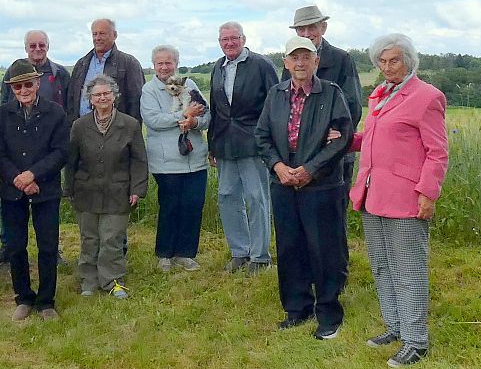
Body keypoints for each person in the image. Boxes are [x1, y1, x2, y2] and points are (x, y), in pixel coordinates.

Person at [350, 34, 449, 368]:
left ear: (409, 60)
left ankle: (416, 340)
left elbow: (437, 152)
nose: (387, 66)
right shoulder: (380, 94)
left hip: (407, 198)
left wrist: (428, 193)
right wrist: (349, 140)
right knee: (381, 266)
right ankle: (395, 326)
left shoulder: (427, 97)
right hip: (372, 193)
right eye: (381, 60)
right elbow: (380, 139)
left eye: (394, 60)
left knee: (408, 269)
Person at [255, 37, 353, 340]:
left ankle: (328, 313)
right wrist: (278, 167)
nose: (300, 63)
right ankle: (297, 309)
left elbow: (343, 137)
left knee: (324, 250)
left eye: (306, 57)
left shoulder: (332, 94)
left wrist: (311, 169)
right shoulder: (276, 94)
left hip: (321, 184)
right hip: (283, 182)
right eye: (294, 57)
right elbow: (261, 136)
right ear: (286, 63)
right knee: (290, 247)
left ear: (316, 62)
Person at [0, 58, 69, 321]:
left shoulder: (55, 112)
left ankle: (46, 301)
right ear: (11, 89)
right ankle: (23, 297)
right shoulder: (2, 114)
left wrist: (33, 174)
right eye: (17, 87)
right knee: (16, 246)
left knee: (47, 246)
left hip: (45, 189)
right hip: (13, 191)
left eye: (27, 84)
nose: (23, 90)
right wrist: (19, 179)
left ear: (37, 83)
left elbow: (61, 152)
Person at [67, 74, 148, 299]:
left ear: (114, 96)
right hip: (86, 191)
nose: (102, 97)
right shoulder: (80, 126)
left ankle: (112, 280)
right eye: (97, 94)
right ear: (90, 99)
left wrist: (137, 189)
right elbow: (71, 161)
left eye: (106, 93)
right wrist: (69, 188)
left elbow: (139, 160)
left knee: (112, 238)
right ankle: (89, 280)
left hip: (118, 191)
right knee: (89, 238)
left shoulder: (129, 124)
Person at [208, 22, 279, 273]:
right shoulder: (218, 67)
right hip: (225, 143)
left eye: (234, 38)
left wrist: (270, 142)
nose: (229, 43)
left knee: (256, 198)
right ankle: (240, 252)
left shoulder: (261, 65)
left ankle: (260, 257)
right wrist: (212, 145)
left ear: (244, 39)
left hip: (254, 142)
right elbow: (215, 108)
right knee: (227, 196)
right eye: (224, 39)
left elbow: (276, 103)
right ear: (219, 42)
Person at [140, 45, 210, 272]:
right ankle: (165, 254)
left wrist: (194, 122)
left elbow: (207, 115)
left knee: (192, 205)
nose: (164, 67)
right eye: (160, 63)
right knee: (170, 206)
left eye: (168, 62)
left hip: (195, 158)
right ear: (153, 65)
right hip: (166, 161)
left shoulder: (190, 86)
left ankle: (186, 253)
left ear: (176, 64)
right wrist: (183, 115)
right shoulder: (149, 90)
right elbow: (153, 120)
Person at [283, 5, 363, 192]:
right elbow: (284, 102)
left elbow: (353, 104)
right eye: (301, 29)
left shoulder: (341, 59)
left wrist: (340, 134)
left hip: (334, 151)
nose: (306, 33)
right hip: (299, 153)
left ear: (323, 28)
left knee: (333, 209)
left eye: (312, 27)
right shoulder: (291, 60)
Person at [67, 18, 145, 124]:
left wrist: (130, 132)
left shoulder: (129, 63)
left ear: (114, 35)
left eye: (102, 33)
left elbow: (136, 103)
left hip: (116, 132)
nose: (98, 38)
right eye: (95, 34)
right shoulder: (82, 64)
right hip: (83, 131)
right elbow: (71, 100)